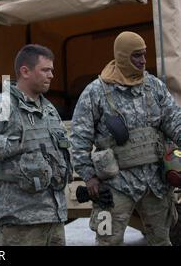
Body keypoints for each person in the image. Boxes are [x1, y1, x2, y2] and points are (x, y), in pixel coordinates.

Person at [70, 31, 180, 246]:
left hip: (155, 182)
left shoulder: (154, 86)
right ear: (122, 56)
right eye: (136, 56)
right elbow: (79, 138)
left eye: (144, 55)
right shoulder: (96, 92)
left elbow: (175, 121)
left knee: (161, 240)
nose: (143, 61)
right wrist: (89, 176)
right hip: (115, 184)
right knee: (108, 240)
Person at [0, 44, 72, 246]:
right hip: (20, 221)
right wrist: (13, 144)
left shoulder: (48, 109)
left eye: (51, 70)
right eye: (45, 70)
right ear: (25, 71)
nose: (51, 75)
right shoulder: (3, 104)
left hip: (53, 218)